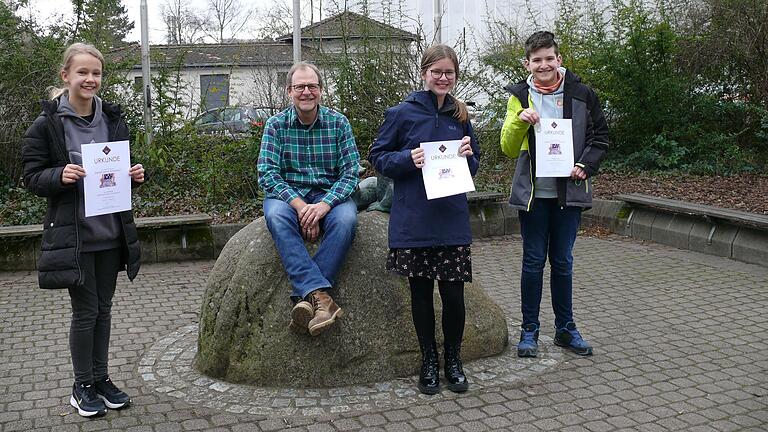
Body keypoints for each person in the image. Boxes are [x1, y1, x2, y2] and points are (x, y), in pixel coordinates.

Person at [21, 43, 145, 417]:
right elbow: (31, 176)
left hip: (111, 232)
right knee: (86, 311)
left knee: (104, 309)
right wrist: (60, 175)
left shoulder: (112, 118)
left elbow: (117, 171)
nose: (90, 79)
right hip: (75, 238)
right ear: (66, 76)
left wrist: (136, 175)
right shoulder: (47, 125)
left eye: (96, 73)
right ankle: (82, 385)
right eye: (82, 73)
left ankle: (101, 379)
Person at [369, 44, 480, 395]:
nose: (443, 78)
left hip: (450, 217)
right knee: (420, 295)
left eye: (449, 73)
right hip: (414, 219)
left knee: (453, 297)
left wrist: (468, 157)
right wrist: (407, 158)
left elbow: (473, 166)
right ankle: (428, 360)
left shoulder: (461, 115)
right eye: (437, 72)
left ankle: (453, 361)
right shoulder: (401, 113)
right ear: (424, 73)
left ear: (455, 76)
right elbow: (378, 157)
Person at [500, 31, 609, 358]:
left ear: (559, 59)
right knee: (533, 263)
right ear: (527, 63)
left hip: (568, 193)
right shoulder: (519, 96)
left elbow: (600, 138)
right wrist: (520, 121)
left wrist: (585, 166)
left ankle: (565, 328)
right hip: (533, 196)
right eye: (537, 60)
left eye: (549, 58)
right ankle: (529, 331)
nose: (543, 64)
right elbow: (507, 148)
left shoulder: (582, 94)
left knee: (562, 263)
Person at [257, 62, 360, 337]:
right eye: (300, 87)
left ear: (321, 91)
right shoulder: (276, 126)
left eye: (312, 86)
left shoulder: (339, 123)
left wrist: (325, 205)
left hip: (330, 196)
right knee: (276, 217)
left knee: (347, 219)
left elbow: (351, 173)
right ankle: (322, 299)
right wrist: (302, 207)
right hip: (289, 198)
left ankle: (306, 298)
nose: (306, 92)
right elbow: (267, 174)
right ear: (289, 91)